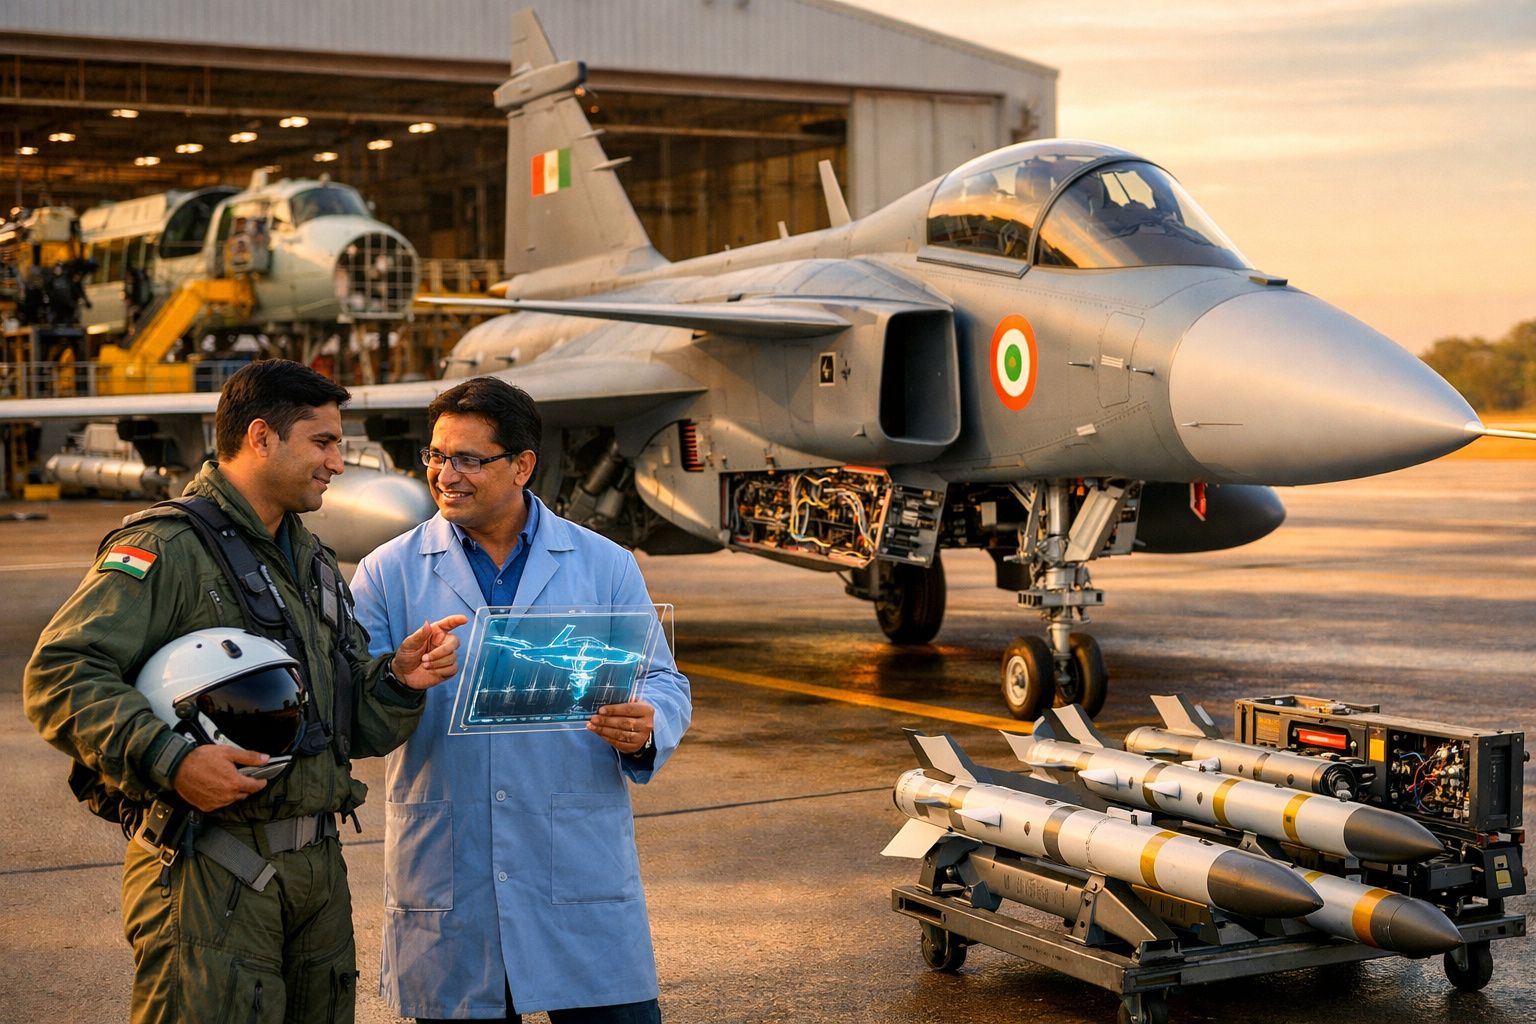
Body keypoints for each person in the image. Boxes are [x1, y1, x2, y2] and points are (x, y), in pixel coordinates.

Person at [24, 358, 467, 1024]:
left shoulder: (310, 560)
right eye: (323, 442)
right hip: (211, 874)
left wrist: (398, 681)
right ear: (261, 437)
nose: (337, 463)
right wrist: (173, 761)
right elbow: (61, 671)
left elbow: (348, 727)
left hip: (315, 877)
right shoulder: (169, 548)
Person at [351, 376, 692, 1023]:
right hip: (450, 868)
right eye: (435, 456)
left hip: (574, 866)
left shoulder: (604, 564)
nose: (445, 475)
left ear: (523, 465)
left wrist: (649, 722)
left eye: (468, 459)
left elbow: (662, 679)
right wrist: (395, 679)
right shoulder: (387, 572)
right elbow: (351, 709)